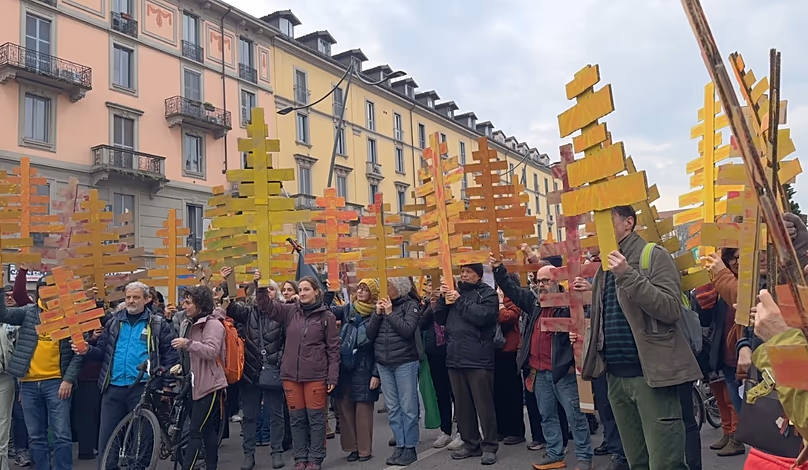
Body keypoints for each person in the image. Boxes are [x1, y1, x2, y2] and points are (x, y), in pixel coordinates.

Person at [577, 205, 701, 470]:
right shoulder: (603, 269)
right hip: (616, 377)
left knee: (666, 462)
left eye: (606, 221)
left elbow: (669, 308)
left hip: (651, 377)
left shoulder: (652, 255)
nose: (599, 229)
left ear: (628, 223)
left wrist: (627, 275)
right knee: (637, 462)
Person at [493, 261, 594, 470]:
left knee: (576, 416)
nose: (541, 284)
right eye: (538, 281)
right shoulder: (535, 303)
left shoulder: (569, 304)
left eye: (545, 280)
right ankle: (555, 454)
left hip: (563, 372)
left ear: (557, 281)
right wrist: (499, 271)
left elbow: (587, 321)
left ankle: (585, 457)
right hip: (539, 371)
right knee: (547, 416)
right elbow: (513, 290)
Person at [0, 269, 83, 470]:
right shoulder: (28, 312)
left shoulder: (68, 316)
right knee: (36, 436)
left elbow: (79, 352)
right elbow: (3, 314)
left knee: (62, 434)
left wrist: (68, 380)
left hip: (57, 383)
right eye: (44, 291)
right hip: (28, 385)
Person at [257, 276, 339, 470]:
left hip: (316, 376)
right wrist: (260, 288)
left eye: (306, 290)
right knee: (296, 419)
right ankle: (300, 458)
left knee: (316, 419)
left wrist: (332, 376)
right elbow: (267, 308)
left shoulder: (327, 317)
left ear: (316, 292)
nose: (301, 293)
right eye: (300, 290)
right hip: (290, 376)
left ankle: (316, 458)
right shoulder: (290, 311)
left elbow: (333, 349)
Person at [221, 267, 287, 470]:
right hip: (250, 371)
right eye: (261, 291)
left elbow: (286, 342)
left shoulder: (282, 314)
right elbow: (230, 307)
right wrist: (228, 282)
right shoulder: (247, 312)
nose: (266, 294)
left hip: (274, 370)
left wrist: (280, 361)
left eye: (270, 290)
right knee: (249, 416)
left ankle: (276, 452)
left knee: (276, 414)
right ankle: (248, 455)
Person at [433, 263, 499, 465]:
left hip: (478, 357)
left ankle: (489, 445)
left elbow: (482, 317)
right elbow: (440, 318)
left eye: (468, 272)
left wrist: (459, 300)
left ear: (478, 275)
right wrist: (442, 300)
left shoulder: (487, 294)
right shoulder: (455, 292)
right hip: (455, 356)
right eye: (462, 272)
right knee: (462, 406)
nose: (464, 275)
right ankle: (471, 443)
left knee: (484, 405)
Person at [692, 248, 746, 457]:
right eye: (732, 257)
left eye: (739, 257)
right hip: (720, 349)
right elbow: (707, 317)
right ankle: (727, 432)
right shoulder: (721, 283)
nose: (736, 262)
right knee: (721, 395)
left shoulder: (743, 283)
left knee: (735, 399)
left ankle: (737, 437)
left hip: (737, 350)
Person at [366, 277, 420, 466]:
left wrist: (390, 313)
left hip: (405, 361)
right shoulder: (380, 308)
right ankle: (400, 444)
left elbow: (407, 330)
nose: (383, 289)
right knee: (393, 408)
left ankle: (410, 447)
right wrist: (378, 314)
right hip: (384, 363)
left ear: (398, 287)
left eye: (387, 285)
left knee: (408, 407)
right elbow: (369, 334)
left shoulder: (410, 305)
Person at [173, 286, 228, 470]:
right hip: (193, 383)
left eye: (188, 302)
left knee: (195, 430)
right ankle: (212, 466)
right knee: (205, 430)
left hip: (210, 384)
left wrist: (188, 344)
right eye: (184, 301)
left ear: (200, 304)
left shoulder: (213, 324)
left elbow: (211, 351)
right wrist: (181, 365)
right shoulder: (186, 323)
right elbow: (190, 357)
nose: (184, 305)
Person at [330, 279, 381, 462]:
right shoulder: (346, 309)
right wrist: (330, 291)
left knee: (363, 411)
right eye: (359, 288)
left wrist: (376, 373)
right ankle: (352, 448)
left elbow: (379, 345)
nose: (360, 292)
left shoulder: (377, 313)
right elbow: (326, 309)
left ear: (372, 294)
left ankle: (364, 450)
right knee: (345, 409)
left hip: (365, 366)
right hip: (346, 366)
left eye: (365, 290)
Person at [419, 280, 462, 450]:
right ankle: (446, 430)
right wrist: (432, 304)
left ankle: (461, 430)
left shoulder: (455, 298)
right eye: (431, 284)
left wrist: (445, 300)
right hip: (434, 352)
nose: (434, 287)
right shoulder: (428, 303)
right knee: (441, 392)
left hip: (452, 350)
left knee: (457, 393)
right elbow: (420, 323)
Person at [494, 284, 526, 446]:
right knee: (497, 391)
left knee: (512, 391)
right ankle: (501, 428)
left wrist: (500, 303)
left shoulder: (511, 298)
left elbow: (508, 317)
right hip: (494, 350)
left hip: (509, 349)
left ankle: (516, 431)